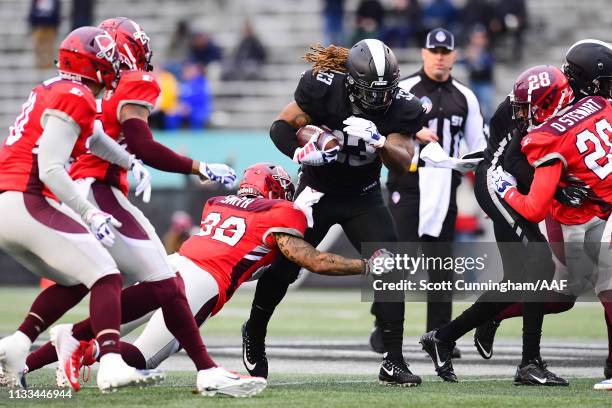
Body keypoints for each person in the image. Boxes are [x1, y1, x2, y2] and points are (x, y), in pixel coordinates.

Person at [22, 163, 394, 397]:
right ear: (276, 192)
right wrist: (364, 266)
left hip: (169, 266)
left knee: (103, 324)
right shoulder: (282, 211)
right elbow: (311, 259)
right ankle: (89, 352)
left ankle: (25, 366)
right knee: (145, 356)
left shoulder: (217, 202)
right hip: (200, 283)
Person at [55, 17, 236, 392]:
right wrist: (198, 165)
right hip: (98, 191)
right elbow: (142, 143)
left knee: (110, 283)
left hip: (79, 190)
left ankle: (29, 348)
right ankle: (201, 368)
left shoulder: (94, 87)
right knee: (162, 281)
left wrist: (130, 163)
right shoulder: (136, 81)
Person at [241, 39, 426, 386]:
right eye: (372, 91)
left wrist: (381, 142)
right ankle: (254, 331)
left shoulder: (402, 107)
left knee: (389, 265)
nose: (380, 98)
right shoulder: (324, 86)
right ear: (352, 82)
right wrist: (301, 153)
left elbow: (404, 163)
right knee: (283, 267)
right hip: (317, 191)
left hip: (363, 195)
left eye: (386, 90)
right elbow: (281, 126)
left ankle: (394, 360)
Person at [0, 26, 161, 392]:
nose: (114, 66)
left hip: (11, 203)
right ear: (93, 64)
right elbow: (52, 169)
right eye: (107, 60)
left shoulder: (53, 88)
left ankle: (17, 345)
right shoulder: (76, 95)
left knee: (75, 280)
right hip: (28, 199)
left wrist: (129, 162)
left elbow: (92, 138)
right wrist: (91, 214)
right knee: (107, 274)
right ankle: (110, 363)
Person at [419, 65, 578, 386]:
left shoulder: (557, 100)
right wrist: (560, 188)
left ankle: (444, 337)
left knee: (519, 278)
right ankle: (529, 363)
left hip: (508, 180)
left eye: (526, 108)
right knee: (539, 266)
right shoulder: (526, 107)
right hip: (499, 180)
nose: (521, 114)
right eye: (519, 107)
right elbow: (514, 163)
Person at [477, 40, 612, 391]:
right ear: (591, 82)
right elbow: (513, 162)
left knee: (587, 290)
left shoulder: (594, 102)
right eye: (607, 82)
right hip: (567, 210)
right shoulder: (544, 105)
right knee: (585, 290)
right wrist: (555, 188)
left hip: (598, 203)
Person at [376, 28, 486, 358]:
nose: (439, 56)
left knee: (441, 264)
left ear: (454, 55)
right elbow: (375, 126)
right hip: (407, 183)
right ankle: (384, 328)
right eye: (434, 51)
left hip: (444, 184)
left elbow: (479, 145)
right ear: (424, 53)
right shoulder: (403, 89)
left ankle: (440, 337)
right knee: (400, 259)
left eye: (445, 51)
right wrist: (412, 129)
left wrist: (469, 165)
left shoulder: (465, 96)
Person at [29, 0, 60, 69]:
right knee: (38, 46)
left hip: (50, 26)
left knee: (49, 46)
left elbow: (57, 12)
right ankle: (39, 64)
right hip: (38, 26)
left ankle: (48, 64)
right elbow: (32, 11)